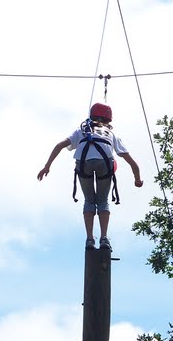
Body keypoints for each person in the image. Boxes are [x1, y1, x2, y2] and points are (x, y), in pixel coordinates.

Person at [37, 102, 143, 250]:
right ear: (108, 121)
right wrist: (137, 179)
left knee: (89, 201)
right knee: (102, 201)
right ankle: (104, 238)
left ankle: (89, 239)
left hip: (84, 161)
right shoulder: (111, 134)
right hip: (105, 163)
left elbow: (59, 145)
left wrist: (47, 166)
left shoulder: (82, 130)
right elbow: (132, 162)